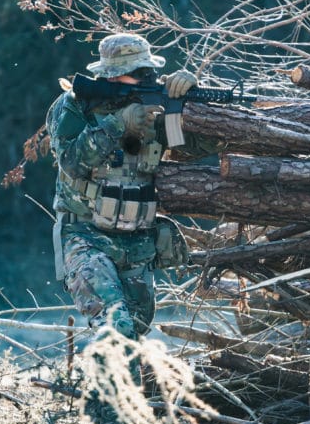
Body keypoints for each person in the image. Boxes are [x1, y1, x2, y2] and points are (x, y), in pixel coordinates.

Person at [46, 33, 200, 342]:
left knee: (136, 331)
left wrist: (184, 100)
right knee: (116, 329)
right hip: (86, 238)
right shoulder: (75, 107)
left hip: (137, 244)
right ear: (113, 76)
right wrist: (118, 124)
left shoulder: (152, 107)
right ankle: (110, 389)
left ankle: (108, 389)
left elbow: (190, 149)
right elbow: (72, 162)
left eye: (150, 72)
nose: (149, 78)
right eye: (140, 73)